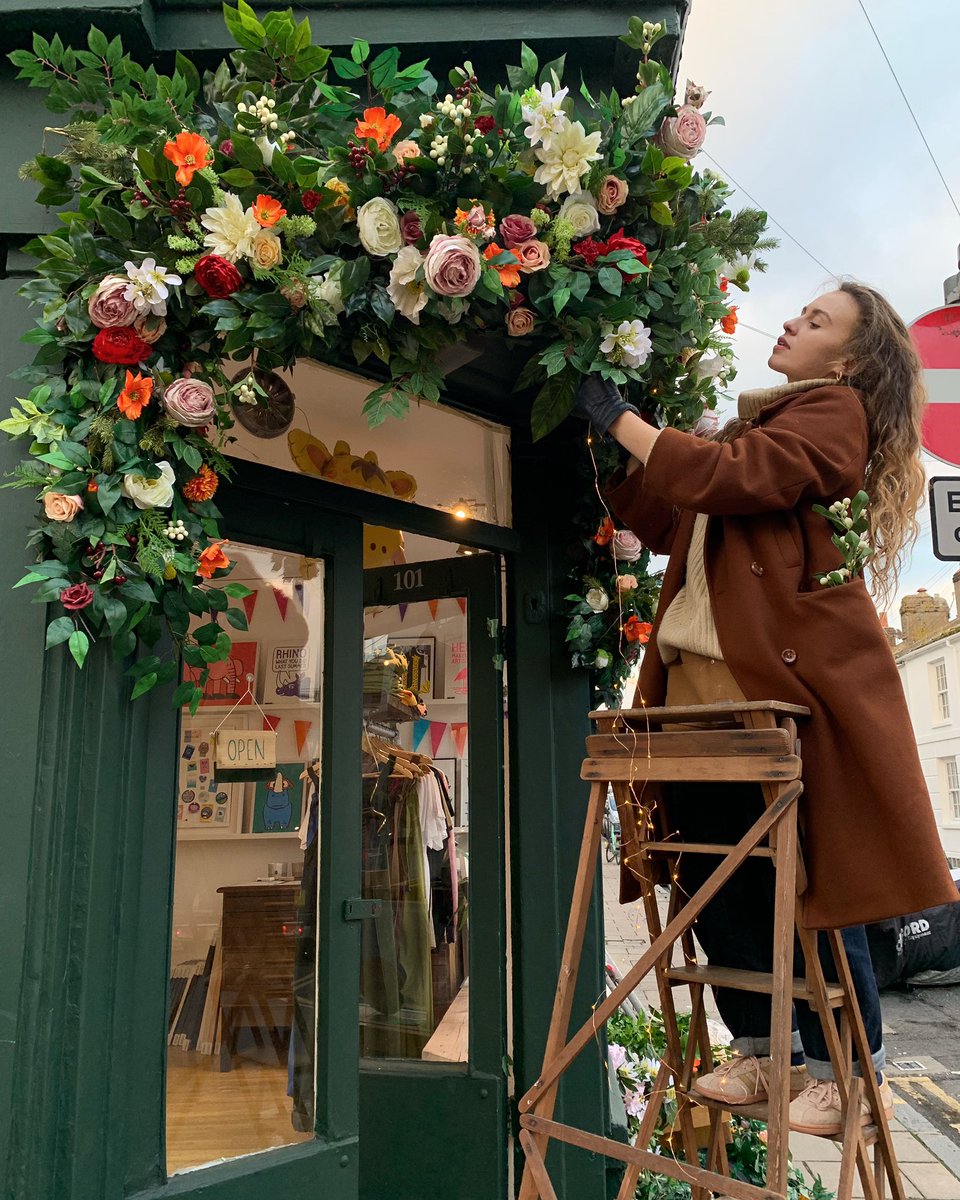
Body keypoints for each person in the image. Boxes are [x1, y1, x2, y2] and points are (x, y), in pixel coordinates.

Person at [576, 282, 959, 1136]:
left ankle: (850, 1081)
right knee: (715, 878)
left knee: (815, 883)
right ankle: (763, 1051)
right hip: (699, 703)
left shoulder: (835, 413)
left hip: (783, 700)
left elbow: (734, 478)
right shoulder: (749, 427)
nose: (790, 322)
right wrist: (623, 444)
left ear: (853, 360)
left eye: (816, 321)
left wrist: (627, 423)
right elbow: (671, 516)